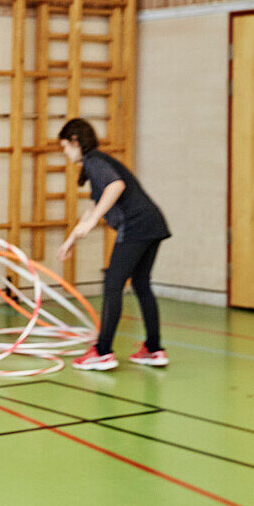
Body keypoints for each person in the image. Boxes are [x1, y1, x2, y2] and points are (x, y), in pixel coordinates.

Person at [57, 118, 171, 370]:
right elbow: (92, 210)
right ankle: (154, 348)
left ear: (75, 142)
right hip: (153, 223)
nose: (64, 152)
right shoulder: (97, 163)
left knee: (113, 284)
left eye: (64, 146)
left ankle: (102, 351)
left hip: (136, 226)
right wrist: (71, 240)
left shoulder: (95, 161)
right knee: (141, 284)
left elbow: (116, 186)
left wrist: (94, 220)